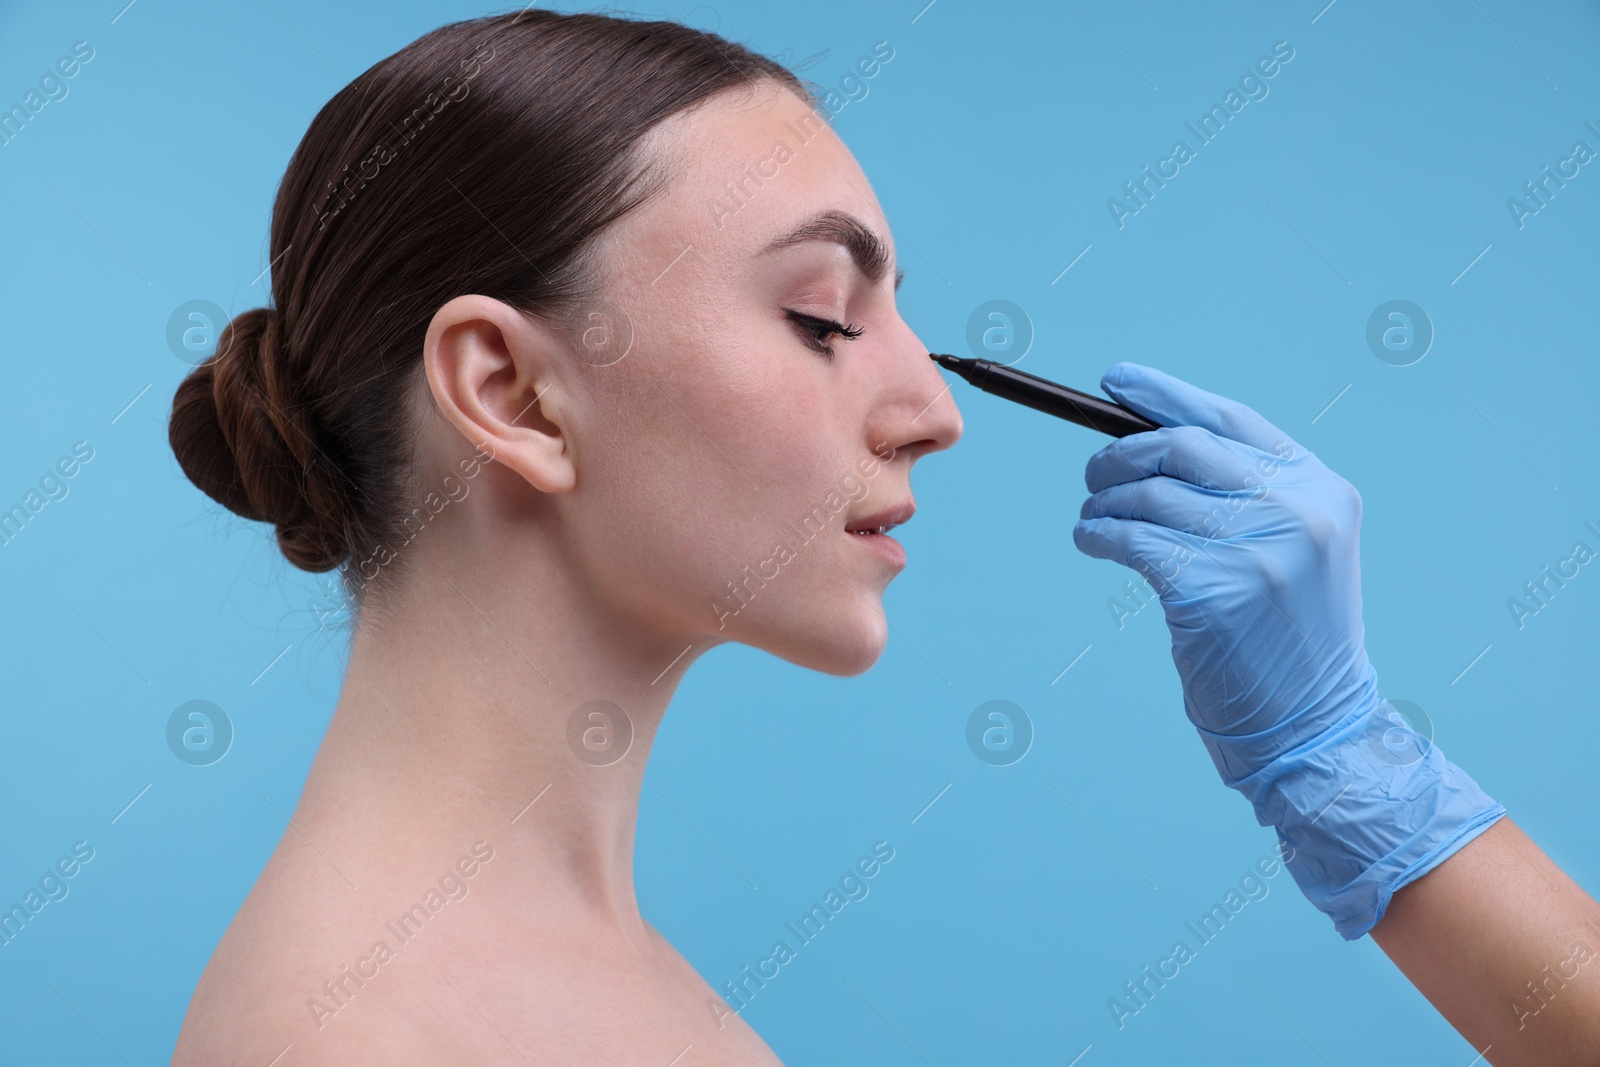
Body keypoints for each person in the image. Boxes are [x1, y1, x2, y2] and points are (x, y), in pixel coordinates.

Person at [165, 9, 1599, 1066]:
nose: (933, 409)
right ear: (513, 391)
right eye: (823, 319)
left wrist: (1350, 770)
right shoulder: (376, 1033)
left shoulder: (579, 982)